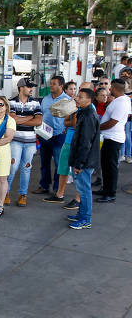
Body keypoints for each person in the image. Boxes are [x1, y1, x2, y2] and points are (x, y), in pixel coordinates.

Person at [67, 88, 101, 229]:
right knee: (82, 189)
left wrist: (79, 164)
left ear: (89, 100)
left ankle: (85, 219)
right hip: (84, 160)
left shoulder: (88, 116)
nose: (77, 99)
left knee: (84, 190)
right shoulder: (84, 113)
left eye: (80, 97)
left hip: (85, 161)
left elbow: (85, 143)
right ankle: (81, 214)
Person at [6, 78, 42, 207]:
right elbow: (12, 119)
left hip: (30, 141)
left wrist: (19, 120)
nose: (31, 89)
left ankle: (23, 195)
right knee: (12, 167)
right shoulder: (11, 102)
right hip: (15, 140)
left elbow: (39, 121)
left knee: (26, 168)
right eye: (28, 86)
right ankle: (6, 192)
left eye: (31, 87)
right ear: (21, 87)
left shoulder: (36, 102)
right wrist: (30, 117)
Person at [96, 80, 131, 203]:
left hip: (113, 138)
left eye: (111, 87)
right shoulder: (121, 100)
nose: (109, 89)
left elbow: (112, 122)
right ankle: (105, 188)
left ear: (115, 89)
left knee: (110, 167)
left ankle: (110, 193)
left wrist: (97, 128)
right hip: (109, 137)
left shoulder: (121, 102)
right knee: (105, 165)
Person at [34, 76, 70, 195]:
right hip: (45, 135)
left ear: (61, 86)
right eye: (51, 83)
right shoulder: (46, 99)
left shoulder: (67, 100)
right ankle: (44, 185)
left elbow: (71, 119)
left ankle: (57, 188)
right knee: (44, 162)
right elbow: (42, 115)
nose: (51, 86)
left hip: (59, 136)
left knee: (59, 163)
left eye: (54, 84)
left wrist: (66, 129)